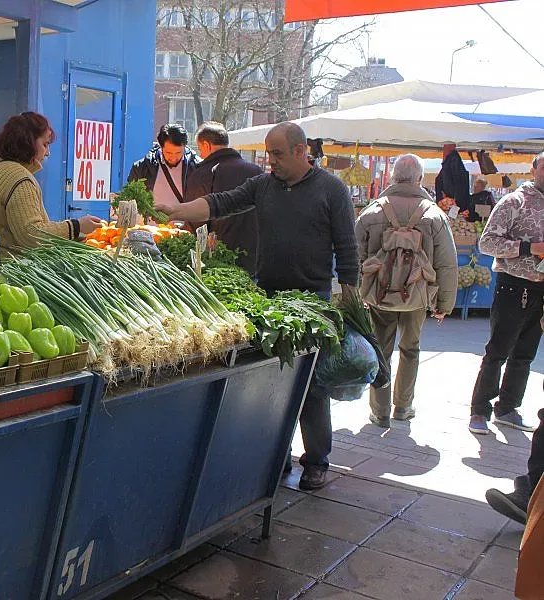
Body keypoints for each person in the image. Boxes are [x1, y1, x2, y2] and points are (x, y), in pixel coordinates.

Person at [155, 121, 360, 491]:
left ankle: (316, 460)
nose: (271, 161)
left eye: (277, 154)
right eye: (268, 154)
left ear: (301, 151)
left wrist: (350, 296)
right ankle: (277, 456)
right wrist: (175, 210)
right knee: (274, 383)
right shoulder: (263, 185)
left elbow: (347, 247)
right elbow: (220, 203)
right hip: (269, 298)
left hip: (313, 302)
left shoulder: (331, 189)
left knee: (312, 386)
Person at [354, 154, 459, 428]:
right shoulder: (434, 215)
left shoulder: (372, 213)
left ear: (392, 177)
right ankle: (403, 406)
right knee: (411, 349)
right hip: (418, 295)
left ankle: (379, 411)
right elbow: (447, 264)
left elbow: (352, 255)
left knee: (381, 349)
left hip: (379, 295)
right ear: (420, 179)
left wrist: (354, 294)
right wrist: (444, 305)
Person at [468, 151, 544, 435]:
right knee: (498, 351)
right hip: (514, 285)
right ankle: (480, 410)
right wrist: (528, 248)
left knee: (525, 354)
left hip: (541, 289)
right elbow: (487, 243)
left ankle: (508, 408)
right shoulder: (515, 201)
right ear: (533, 170)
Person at [0, 112, 101, 256]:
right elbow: (31, 235)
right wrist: (76, 226)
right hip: (11, 266)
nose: (48, 153)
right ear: (27, 142)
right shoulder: (20, 179)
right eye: (45, 144)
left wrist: (70, 238)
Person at [185, 121, 263, 273]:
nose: (200, 155)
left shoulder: (204, 174)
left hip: (218, 260)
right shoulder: (256, 171)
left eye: (200, 149)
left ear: (207, 145)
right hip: (253, 258)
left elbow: (195, 220)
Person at [127, 123, 200, 208]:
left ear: (185, 146)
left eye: (178, 152)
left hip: (185, 216)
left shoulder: (198, 167)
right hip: (150, 217)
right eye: (169, 153)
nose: (173, 158)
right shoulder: (141, 168)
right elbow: (130, 199)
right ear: (160, 146)